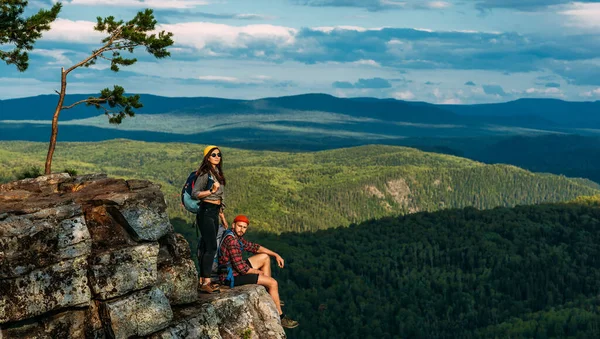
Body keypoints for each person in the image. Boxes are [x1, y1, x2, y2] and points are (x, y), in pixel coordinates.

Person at [218, 215, 299, 329]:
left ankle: (268, 293)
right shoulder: (232, 241)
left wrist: (275, 255)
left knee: (265, 257)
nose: (241, 229)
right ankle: (280, 317)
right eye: (239, 226)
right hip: (230, 277)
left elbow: (255, 248)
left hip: (233, 269)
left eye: (244, 227)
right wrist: (257, 272)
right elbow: (241, 269)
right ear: (233, 225)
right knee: (273, 283)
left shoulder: (235, 236)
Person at [192, 145, 227, 294]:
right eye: (213, 155)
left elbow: (220, 196)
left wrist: (222, 216)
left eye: (219, 154)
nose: (217, 157)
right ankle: (205, 281)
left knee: (209, 246)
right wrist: (210, 191)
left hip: (214, 212)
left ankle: (205, 280)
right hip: (206, 212)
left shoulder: (218, 172)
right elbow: (195, 193)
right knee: (211, 246)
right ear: (207, 157)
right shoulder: (205, 173)